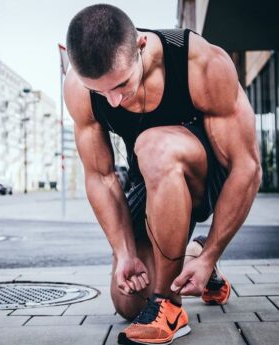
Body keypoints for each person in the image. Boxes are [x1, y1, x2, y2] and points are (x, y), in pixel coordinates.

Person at [64, 4, 261, 345]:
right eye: (100, 92)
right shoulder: (79, 87)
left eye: (122, 84)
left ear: (140, 46)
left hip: (206, 176)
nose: (112, 101)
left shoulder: (198, 61)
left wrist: (216, 249)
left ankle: (168, 307)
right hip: (151, 179)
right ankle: (192, 258)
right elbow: (101, 176)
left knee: (153, 145)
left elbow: (247, 167)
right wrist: (124, 252)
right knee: (127, 301)